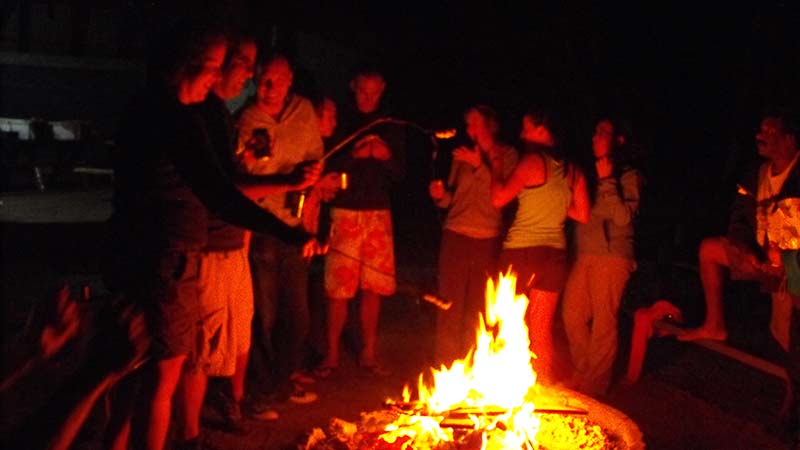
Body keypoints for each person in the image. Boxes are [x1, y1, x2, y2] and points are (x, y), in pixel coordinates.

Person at [107, 23, 320, 450]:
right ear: (192, 65)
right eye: (217, 67)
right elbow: (221, 193)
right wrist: (286, 232)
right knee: (161, 378)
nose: (221, 77)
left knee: (132, 370)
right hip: (168, 258)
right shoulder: (173, 117)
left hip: (141, 251)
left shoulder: (147, 107)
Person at [235, 53, 325, 405]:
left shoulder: (303, 112)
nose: (268, 88)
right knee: (264, 315)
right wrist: (284, 181)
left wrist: (311, 188)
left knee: (298, 317)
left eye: (276, 81)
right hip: (260, 229)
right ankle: (258, 389)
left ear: (289, 81)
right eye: (262, 80)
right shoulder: (246, 120)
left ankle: (280, 379)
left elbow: (316, 157)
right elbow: (238, 178)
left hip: (296, 225)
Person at [678, 111, 800, 348]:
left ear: (790, 139)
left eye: (770, 131)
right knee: (710, 250)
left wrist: (781, 262)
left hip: (792, 268)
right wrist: (745, 247)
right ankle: (715, 325)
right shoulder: (758, 174)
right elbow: (740, 218)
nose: (760, 136)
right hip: (762, 258)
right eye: (761, 130)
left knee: (787, 335)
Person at [315, 69, 406, 378]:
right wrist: (355, 154)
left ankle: (368, 352)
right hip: (345, 212)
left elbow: (400, 173)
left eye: (374, 93)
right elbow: (328, 161)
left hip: (378, 213)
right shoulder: (342, 121)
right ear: (353, 87)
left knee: (374, 286)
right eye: (363, 91)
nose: (368, 98)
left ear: (382, 91)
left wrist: (384, 156)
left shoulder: (390, 125)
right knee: (339, 290)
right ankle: (331, 355)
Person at [490, 107, 589, 382]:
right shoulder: (573, 171)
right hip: (554, 256)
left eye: (526, 127)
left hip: (520, 253)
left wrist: (496, 167)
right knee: (541, 328)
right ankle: (543, 385)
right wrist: (555, 203)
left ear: (542, 130)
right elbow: (582, 214)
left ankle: (500, 386)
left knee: (506, 321)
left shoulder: (531, 162)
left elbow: (498, 198)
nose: (522, 133)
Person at [428, 105, 518, 365]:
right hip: (455, 235)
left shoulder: (507, 154)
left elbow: (502, 196)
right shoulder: (462, 155)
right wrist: (440, 196)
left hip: (486, 238)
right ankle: (444, 368)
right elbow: (453, 198)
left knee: (478, 309)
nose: (470, 130)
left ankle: (473, 368)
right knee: (448, 305)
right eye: (468, 125)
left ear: (491, 125)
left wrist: (480, 166)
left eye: (475, 124)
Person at [561, 118, 644, 395]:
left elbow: (622, 217)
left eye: (604, 132)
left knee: (603, 322)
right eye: (595, 131)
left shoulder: (628, 174)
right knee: (572, 313)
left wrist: (608, 180)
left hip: (612, 256)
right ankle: (586, 372)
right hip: (585, 253)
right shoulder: (588, 172)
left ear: (618, 140)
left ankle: (594, 386)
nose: (596, 136)